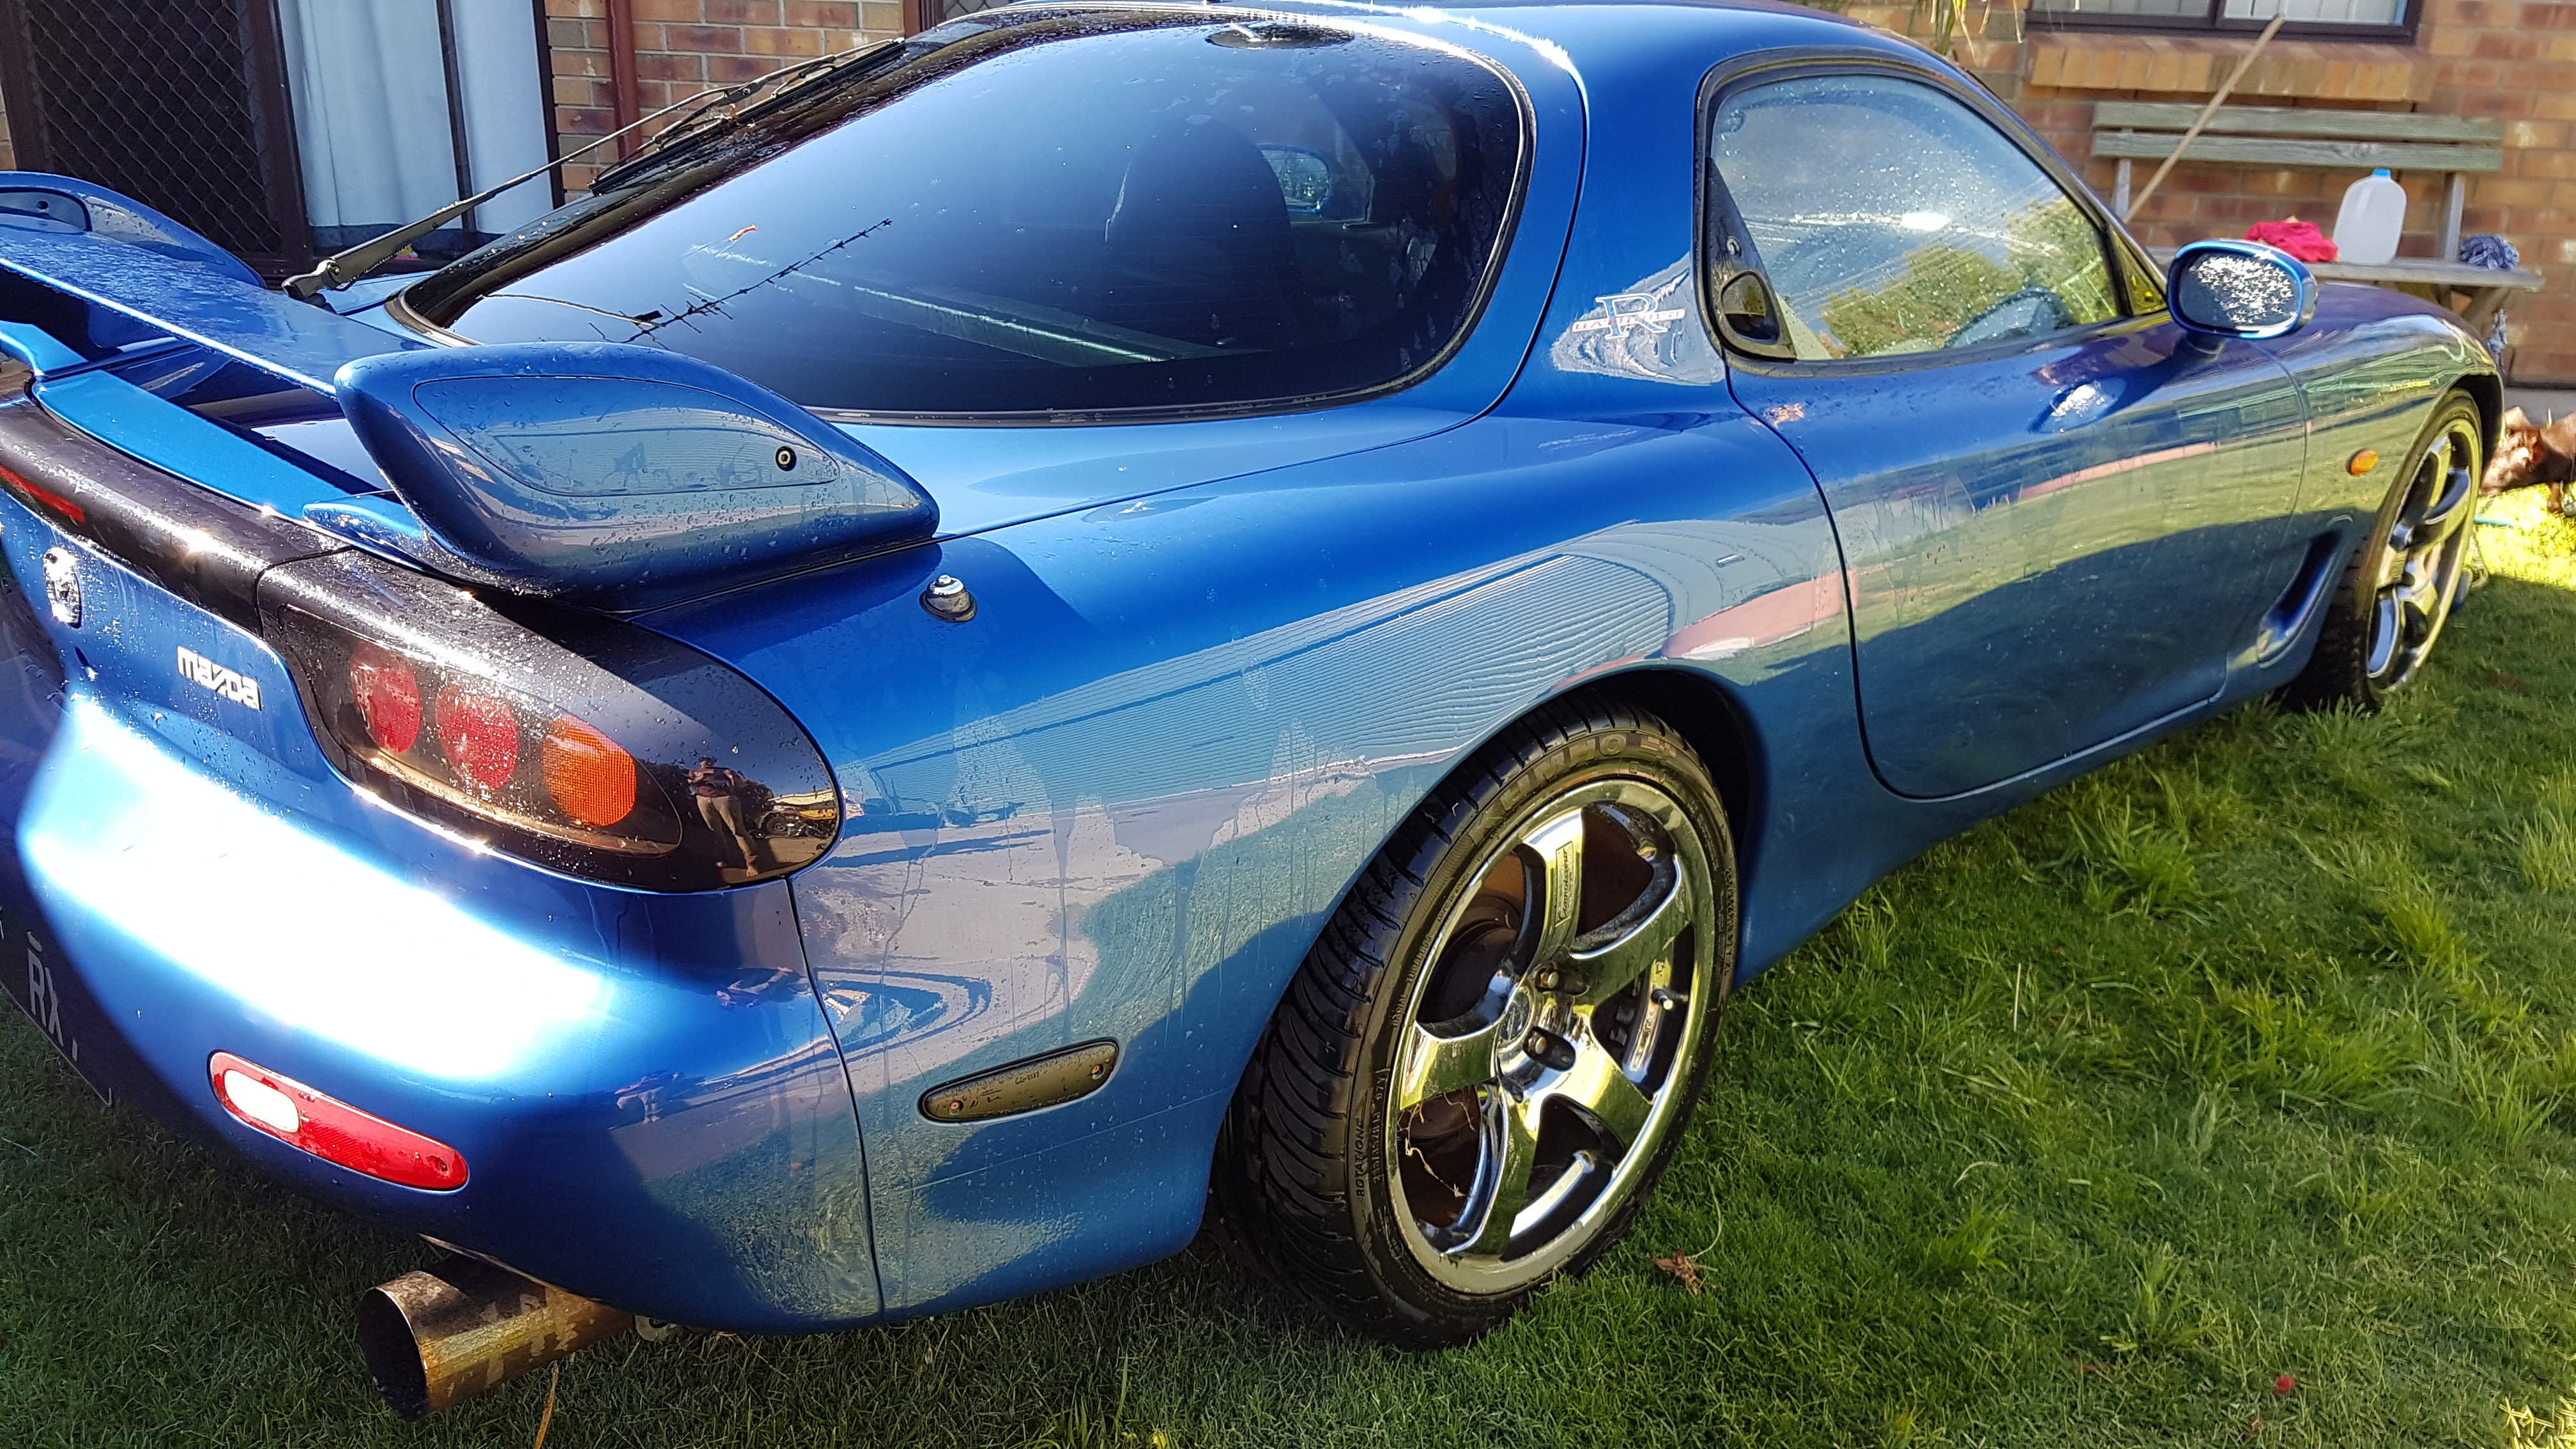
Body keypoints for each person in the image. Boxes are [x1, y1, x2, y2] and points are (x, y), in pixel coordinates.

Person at [687, 756, 759, 873]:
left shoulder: (723, 770)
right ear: (700, 761)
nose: (708, 761)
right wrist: (702, 777)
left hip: (724, 798)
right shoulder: (694, 771)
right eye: (705, 759)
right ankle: (724, 858)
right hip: (702, 799)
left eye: (711, 759)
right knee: (714, 831)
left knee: (737, 830)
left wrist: (732, 777)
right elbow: (690, 782)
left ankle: (751, 863)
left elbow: (740, 785)